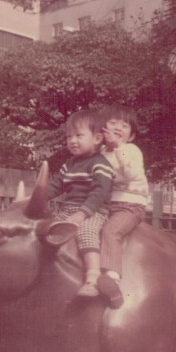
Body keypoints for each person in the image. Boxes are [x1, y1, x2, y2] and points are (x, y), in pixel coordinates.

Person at [47, 109, 113, 297]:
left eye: (79, 136)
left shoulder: (100, 165)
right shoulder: (69, 164)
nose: (72, 141)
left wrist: (83, 213)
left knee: (86, 231)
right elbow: (55, 186)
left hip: (93, 210)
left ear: (97, 138)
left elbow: (100, 193)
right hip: (68, 209)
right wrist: (34, 198)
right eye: (69, 137)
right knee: (49, 232)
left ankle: (92, 279)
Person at [98, 105, 149, 309]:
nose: (119, 127)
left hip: (131, 204)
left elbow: (130, 174)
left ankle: (112, 277)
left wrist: (118, 147)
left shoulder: (131, 150)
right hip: (109, 205)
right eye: (113, 123)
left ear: (131, 136)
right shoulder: (101, 153)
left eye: (124, 125)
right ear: (102, 130)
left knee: (112, 231)